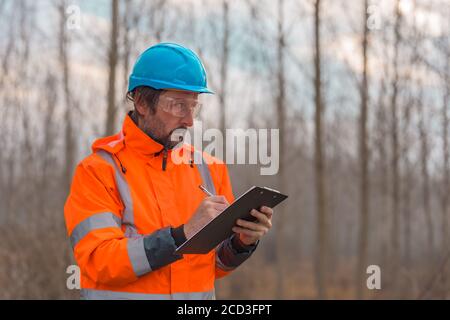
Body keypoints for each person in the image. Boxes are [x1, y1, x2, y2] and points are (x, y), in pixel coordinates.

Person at [64, 43, 273, 300]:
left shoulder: (210, 169)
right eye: (178, 106)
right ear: (141, 102)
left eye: (193, 106)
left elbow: (214, 266)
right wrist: (182, 235)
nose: (189, 120)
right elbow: (98, 261)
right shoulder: (97, 171)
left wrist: (241, 243)